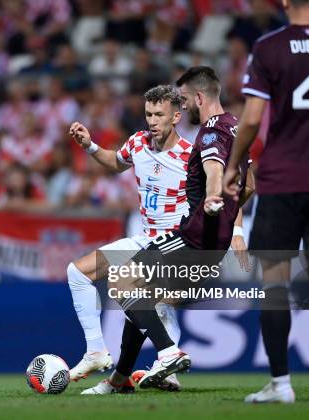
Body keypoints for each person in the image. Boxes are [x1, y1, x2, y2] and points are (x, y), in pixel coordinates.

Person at [81, 66, 254, 394]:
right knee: (140, 295)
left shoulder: (211, 132)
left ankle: (168, 352)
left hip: (194, 237)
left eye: (185, 99)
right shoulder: (236, 128)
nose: (184, 105)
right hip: (211, 241)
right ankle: (119, 380)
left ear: (199, 97)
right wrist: (234, 227)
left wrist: (215, 199)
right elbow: (250, 185)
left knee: (121, 281)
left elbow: (214, 171)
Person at [223, 0, 309, 404]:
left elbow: (254, 118)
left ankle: (281, 385)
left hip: (281, 178)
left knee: (274, 282)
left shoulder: (270, 46)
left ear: (285, 1)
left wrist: (234, 164)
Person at [67, 85, 192, 391]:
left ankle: (163, 363)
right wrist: (90, 146)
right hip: (145, 238)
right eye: (148, 114)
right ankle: (97, 351)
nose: (152, 120)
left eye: (159, 115)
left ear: (175, 116)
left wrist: (234, 234)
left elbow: (222, 192)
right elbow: (116, 162)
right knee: (78, 272)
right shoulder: (138, 143)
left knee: (139, 293)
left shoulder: (191, 156)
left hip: (176, 242)